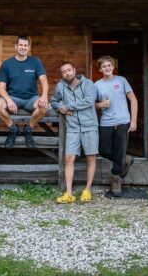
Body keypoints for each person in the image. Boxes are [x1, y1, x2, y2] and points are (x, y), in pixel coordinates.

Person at [51, 62, 99, 203]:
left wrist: (68, 106)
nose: (67, 73)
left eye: (69, 70)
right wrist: (60, 107)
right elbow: (53, 101)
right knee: (69, 158)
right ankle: (69, 193)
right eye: (64, 71)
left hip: (89, 125)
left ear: (74, 70)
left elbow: (89, 101)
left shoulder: (88, 83)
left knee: (90, 158)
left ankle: (87, 190)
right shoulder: (61, 86)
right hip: (72, 128)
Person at [0, 35, 49, 148]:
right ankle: (13, 129)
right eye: (20, 45)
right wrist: (8, 100)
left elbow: (44, 80)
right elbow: (1, 87)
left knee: (44, 106)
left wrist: (44, 96)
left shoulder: (35, 62)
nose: (23, 47)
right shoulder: (7, 64)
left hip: (31, 98)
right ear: (16, 46)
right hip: (13, 98)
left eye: (25, 45)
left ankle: (28, 129)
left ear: (28, 47)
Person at [94, 55, 138, 197]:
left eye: (109, 65)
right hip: (106, 122)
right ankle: (124, 160)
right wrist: (101, 105)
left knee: (120, 148)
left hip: (122, 121)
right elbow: (91, 104)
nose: (107, 68)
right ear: (100, 69)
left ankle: (116, 178)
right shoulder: (97, 85)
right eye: (104, 66)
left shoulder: (121, 80)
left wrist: (133, 121)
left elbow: (133, 100)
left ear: (113, 66)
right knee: (103, 150)